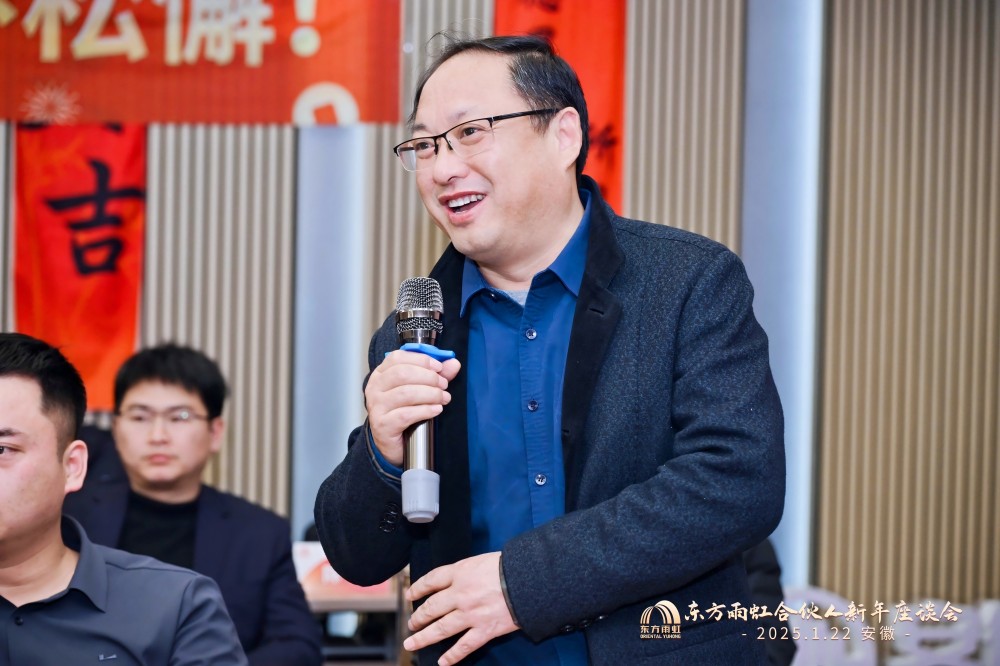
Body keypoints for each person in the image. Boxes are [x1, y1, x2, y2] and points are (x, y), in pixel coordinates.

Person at [314, 34, 785, 665]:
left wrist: (522, 583)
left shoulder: (686, 282)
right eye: (424, 145)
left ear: (563, 136)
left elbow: (737, 480)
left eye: (469, 132)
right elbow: (356, 556)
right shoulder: (416, 331)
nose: (442, 167)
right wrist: (382, 450)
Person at [64, 344, 322, 666]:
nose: (158, 435)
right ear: (116, 428)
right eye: (140, 417)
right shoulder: (69, 518)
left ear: (215, 432)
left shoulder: (260, 533)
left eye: (180, 417)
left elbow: (298, 645)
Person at [0, 332, 246, 665]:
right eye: (141, 417)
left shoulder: (176, 606)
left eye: (2, 449)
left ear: (72, 467)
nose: (158, 436)